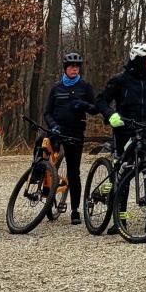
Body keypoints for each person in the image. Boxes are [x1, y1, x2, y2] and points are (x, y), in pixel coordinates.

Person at [96, 41, 146, 233]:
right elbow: (101, 100)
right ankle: (120, 218)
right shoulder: (120, 80)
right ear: (137, 60)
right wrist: (110, 115)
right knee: (124, 173)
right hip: (125, 131)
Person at [41, 49, 96, 225]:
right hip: (57, 130)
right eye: (71, 67)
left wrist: (84, 105)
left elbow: (95, 108)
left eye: (77, 67)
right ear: (65, 68)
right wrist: (53, 126)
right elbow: (47, 112)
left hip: (75, 132)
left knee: (74, 171)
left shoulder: (85, 87)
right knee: (42, 154)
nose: (74, 70)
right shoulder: (56, 88)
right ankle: (42, 187)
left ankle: (75, 210)